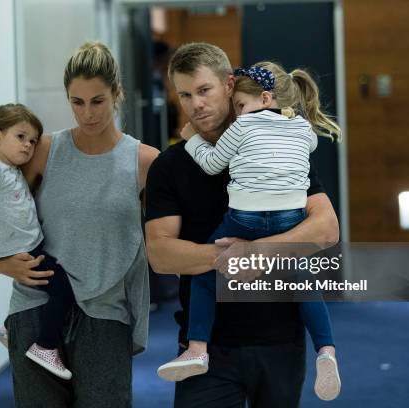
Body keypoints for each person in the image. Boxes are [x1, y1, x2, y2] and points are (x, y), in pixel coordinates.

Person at [145, 42, 340, 408]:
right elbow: (161, 254)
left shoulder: (277, 147)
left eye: (204, 90)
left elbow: (327, 229)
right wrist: (230, 259)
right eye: (184, 95)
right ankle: (325, 346)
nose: (195, 104)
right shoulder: (169, 167)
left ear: (230, 85)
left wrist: (254, 253)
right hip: (207, 349)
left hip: (280, 339)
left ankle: (325, 348)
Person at [0, 42, 159, 407]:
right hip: (36, 307)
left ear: (117, 93)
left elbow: (163, 242)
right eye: (76, 101)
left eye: (97, 101)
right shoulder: (44, 151)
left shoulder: (145, 162)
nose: (87, 113)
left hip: (106, 315)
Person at [0, 103, 76, 380]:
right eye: (20, 137)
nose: (28, 145)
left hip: (33, 244)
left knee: (55, 285)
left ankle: (9, 328)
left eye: (32, 141)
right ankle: (45, 346)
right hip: (25, 250)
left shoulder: (12, 170)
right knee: (64, 290)